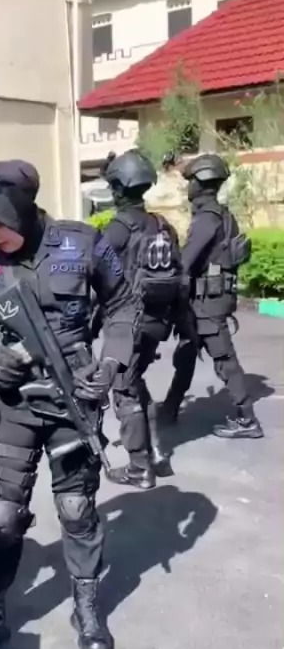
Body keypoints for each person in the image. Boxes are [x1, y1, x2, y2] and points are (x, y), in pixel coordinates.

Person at [0, 159, 133, 649]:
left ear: (20, 210)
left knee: (76, 509)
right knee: (0, 518)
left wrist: (111, 364)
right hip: (12, 405)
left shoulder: (82, 243)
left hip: (72, 398)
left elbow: (124, 304)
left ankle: (87, 609)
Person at [98, 149, 188, 490]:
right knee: (135, 382)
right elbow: (180, 276)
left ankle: (140, 467)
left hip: (128, 324)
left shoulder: (118, 228)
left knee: (124, 388)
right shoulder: (162, 226)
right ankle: (156, 453)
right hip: (158, 322)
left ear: (119, 188)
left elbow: (94, 275)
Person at [160, 154, 263, 439]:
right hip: (207, 300)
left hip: (207, 304)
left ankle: (248, 419)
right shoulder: (222, 215)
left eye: (190, 182)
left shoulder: (207, 219)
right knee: (187, 353)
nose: (188, 187)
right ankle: (170, 408)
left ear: (201, 183)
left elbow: (186, 262)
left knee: (224, 359)